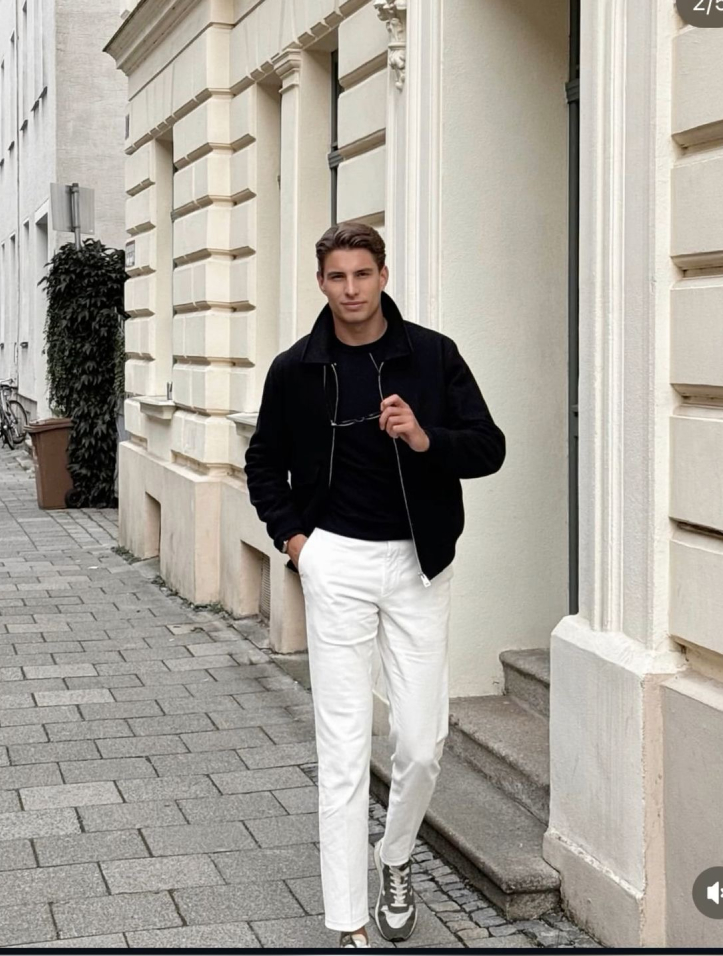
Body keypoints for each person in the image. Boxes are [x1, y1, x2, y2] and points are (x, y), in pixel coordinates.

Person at [245, 221, 506, 948]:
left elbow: (489, 448)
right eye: (337, 276)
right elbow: (263, 462)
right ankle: (348, 924)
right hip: (337, 563)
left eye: (362, 274)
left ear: (383, 276)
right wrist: (298, 544)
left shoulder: (432, 355)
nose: (351, 289)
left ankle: (395, 857)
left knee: (421, 743)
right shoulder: (296, 369)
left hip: (419, 564)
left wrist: (424, 438)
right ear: (321, 282)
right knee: (342, 747)